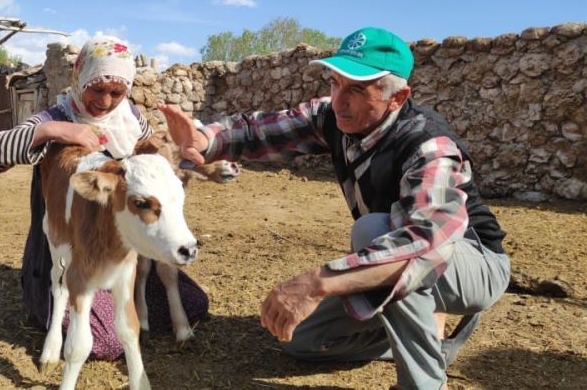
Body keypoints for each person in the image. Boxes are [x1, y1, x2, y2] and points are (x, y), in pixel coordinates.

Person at [159, 27, 510, 389]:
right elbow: (262, 130)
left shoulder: (428, 145)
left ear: (397, 96)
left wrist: (317, 283)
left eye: (357, 88)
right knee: (301, 339)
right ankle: (429, 341)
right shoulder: (334, 117)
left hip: (471, 263)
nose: (340, 100)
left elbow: (424, 244)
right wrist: (206, 138)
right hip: (404, 251)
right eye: (335, 83)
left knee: (375, 232)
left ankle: (422, 382)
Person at [0, 36, 208, 360]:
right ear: (79, 78)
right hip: (68, 248)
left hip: (117, 246)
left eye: (117, 92)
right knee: (106, 340)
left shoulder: (129, 118)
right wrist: (55, 132)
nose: (105, 101)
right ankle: (49, 301)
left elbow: (149, 157)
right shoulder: (56, 117)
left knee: (195, 304)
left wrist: (177, 151)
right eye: (96, 88)